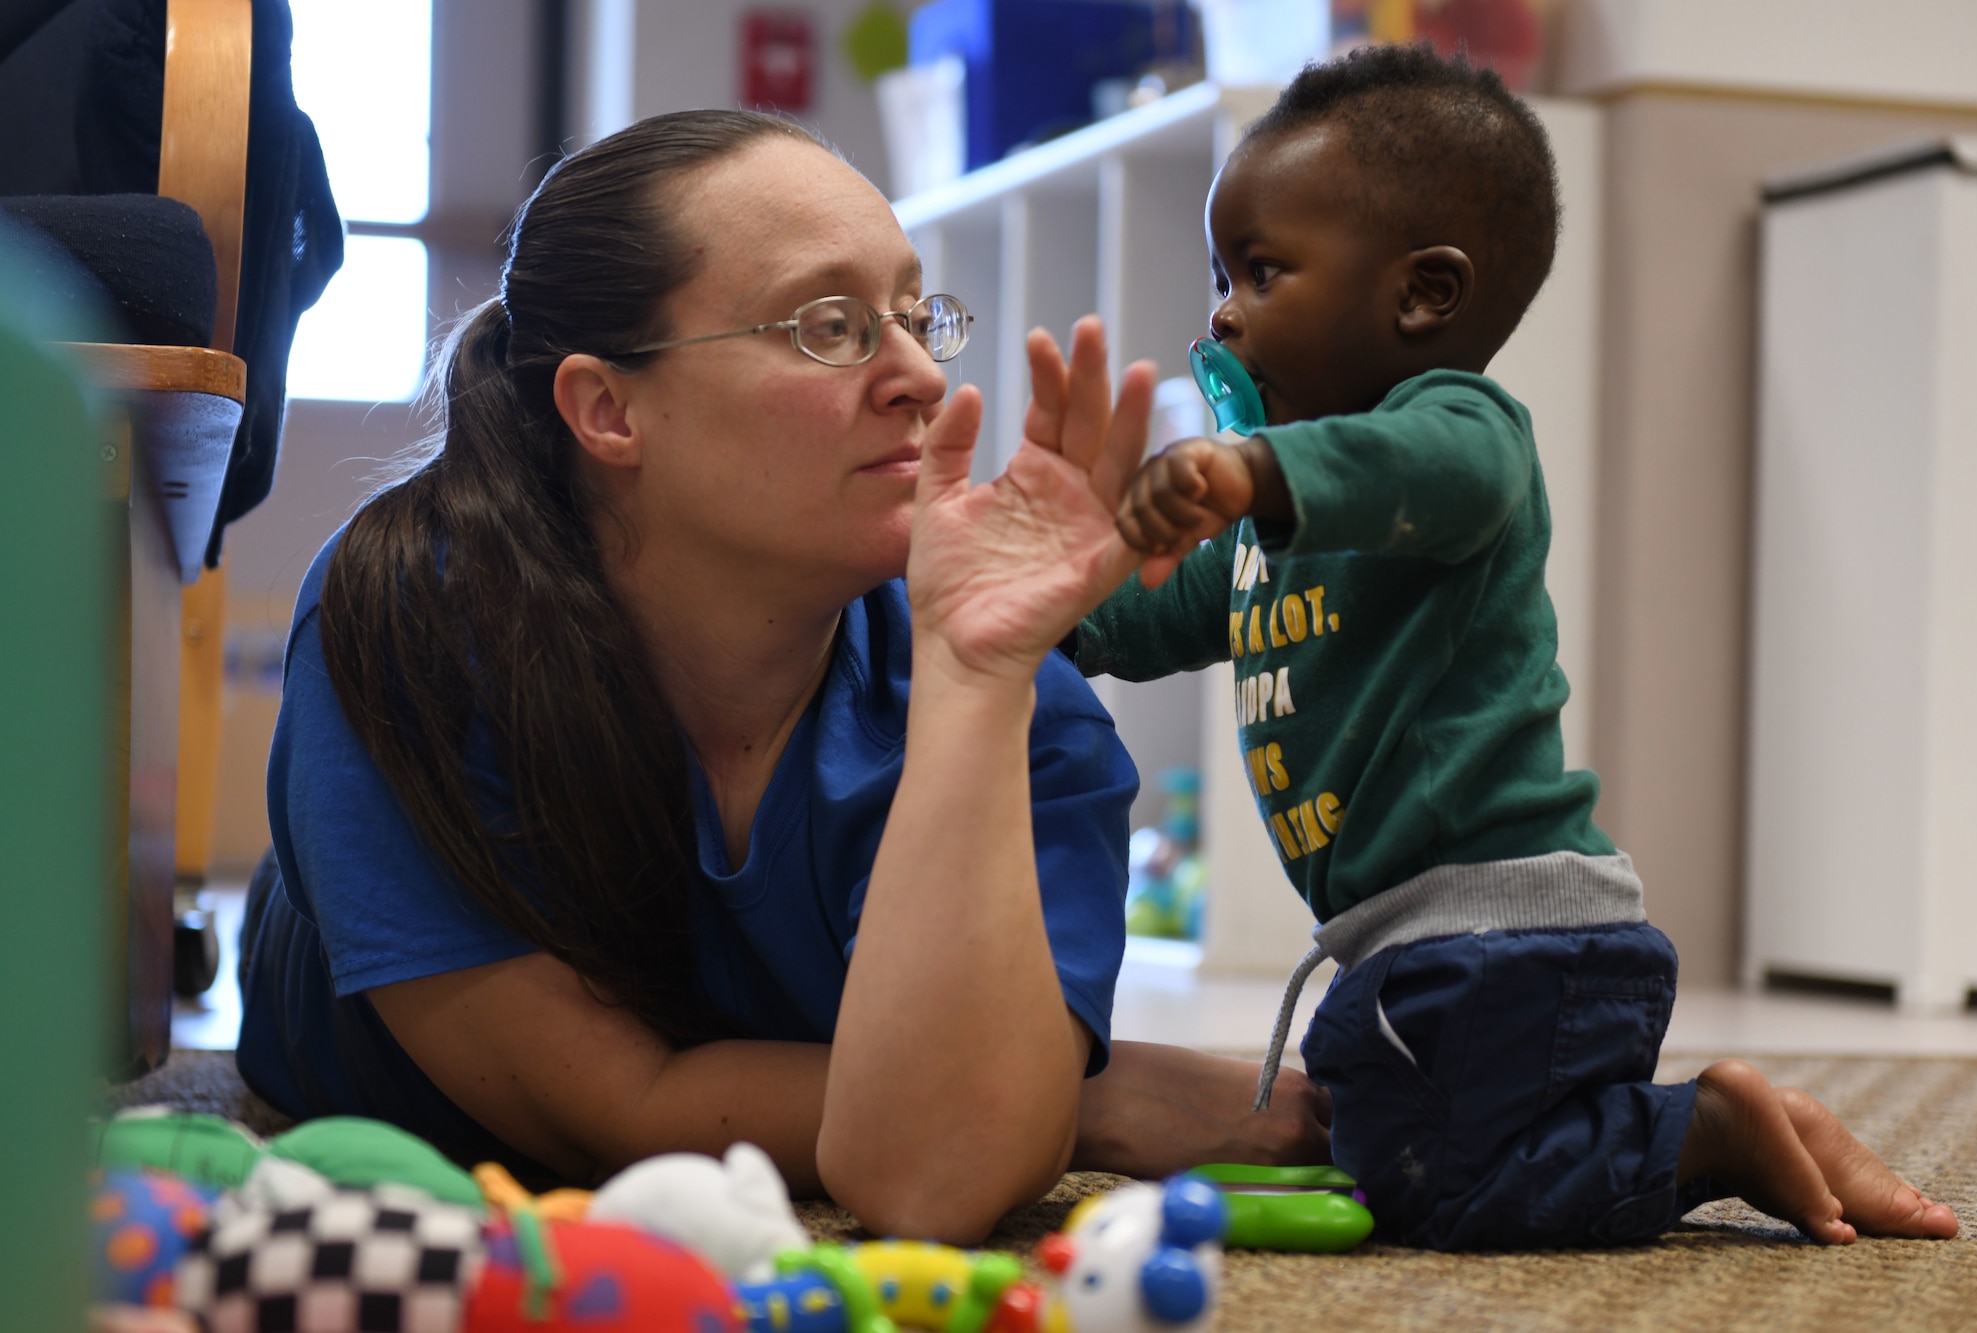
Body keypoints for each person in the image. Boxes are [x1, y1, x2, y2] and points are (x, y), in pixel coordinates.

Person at [235, 109, 1331, 1244]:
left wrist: (974, 671)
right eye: (829, 326)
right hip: (371, 1047)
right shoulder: (410, 617)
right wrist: (1062, 1103)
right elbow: (616, 1107)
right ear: (608, 409)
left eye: (913, 316)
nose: (916, 375)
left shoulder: (1018, 701)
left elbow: (928, 1177)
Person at [1076, 46, 1959, 1249]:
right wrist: (1048, 608)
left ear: (1422, 296)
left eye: (1261, 272)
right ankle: (1644, 1118)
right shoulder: (1265, 535)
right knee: (1371, 1122)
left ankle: (1702, 1132)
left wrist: (1251, 468)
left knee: (1433, 1186)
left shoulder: (1459, 429)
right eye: (1218, 276)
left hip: (1505, 934)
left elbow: (1424, 472)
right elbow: (1146, 616)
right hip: (1436, 946)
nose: (1223, 313)